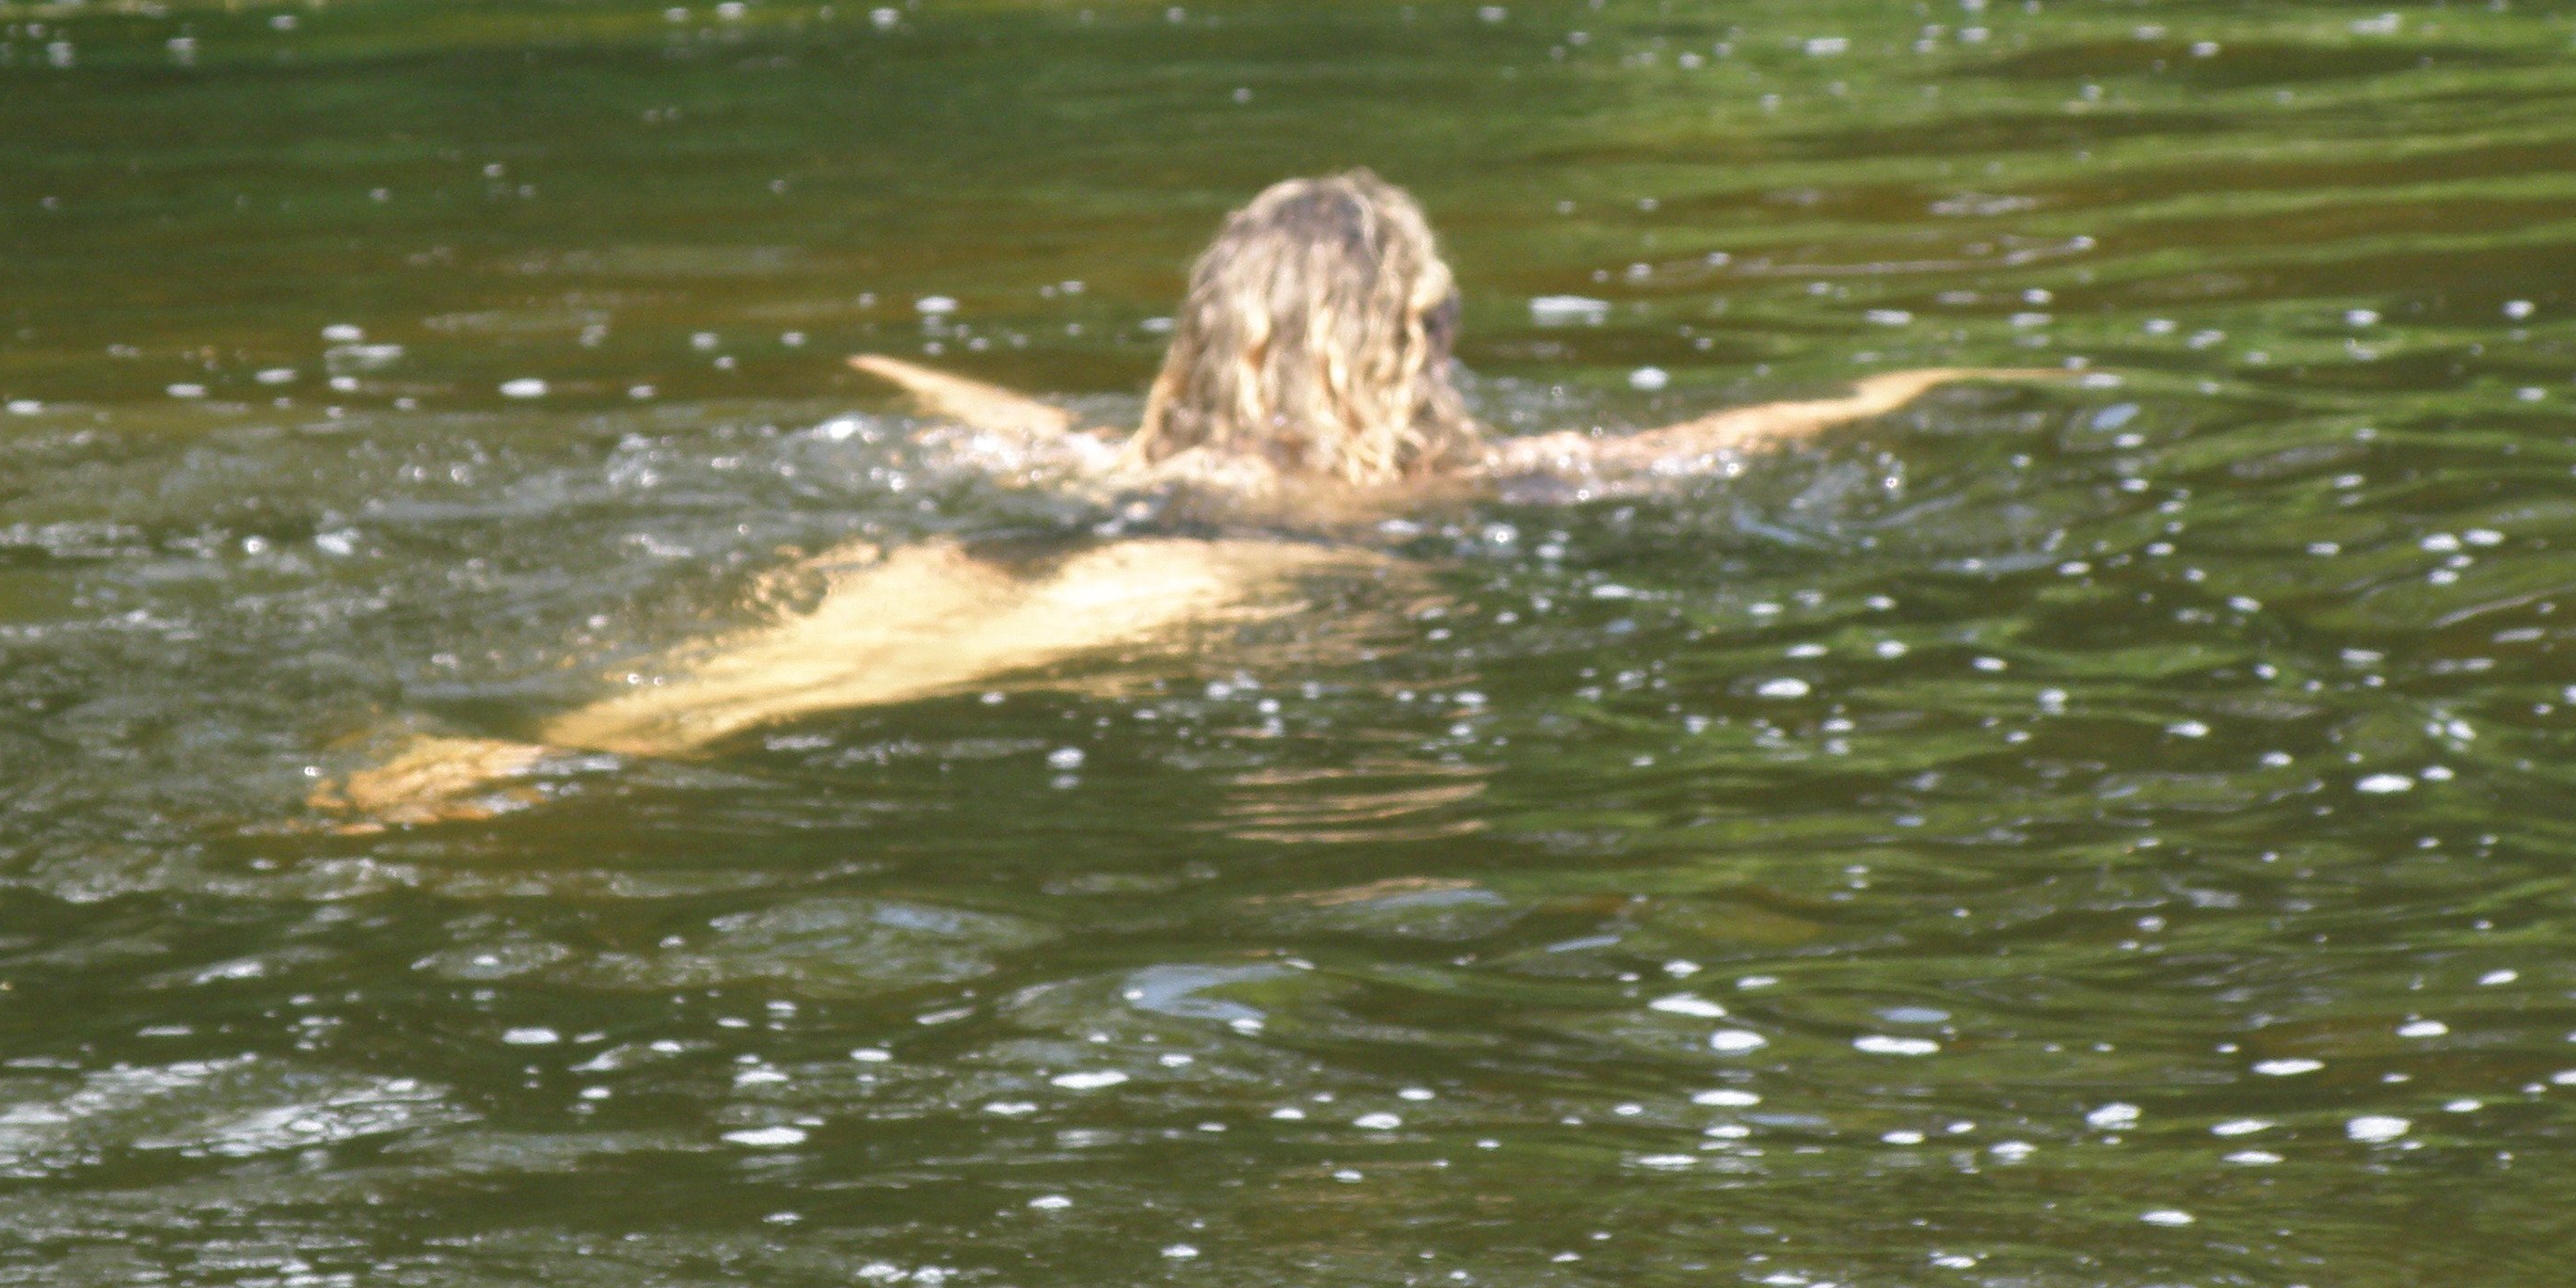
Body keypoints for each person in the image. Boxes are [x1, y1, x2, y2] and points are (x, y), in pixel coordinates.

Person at [316, 171, 2044, 822]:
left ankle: (523, 744)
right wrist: (1912, 386)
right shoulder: (1479, 473)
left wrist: (889, 373)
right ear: (1423, 328)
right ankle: (513, 768)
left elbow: (1001, 424)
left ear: (1208, 324)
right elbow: (1731, 435)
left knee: (770, 672)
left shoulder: (1120, 452)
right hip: (1201, 586)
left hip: (1012, 543)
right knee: (787, 704)